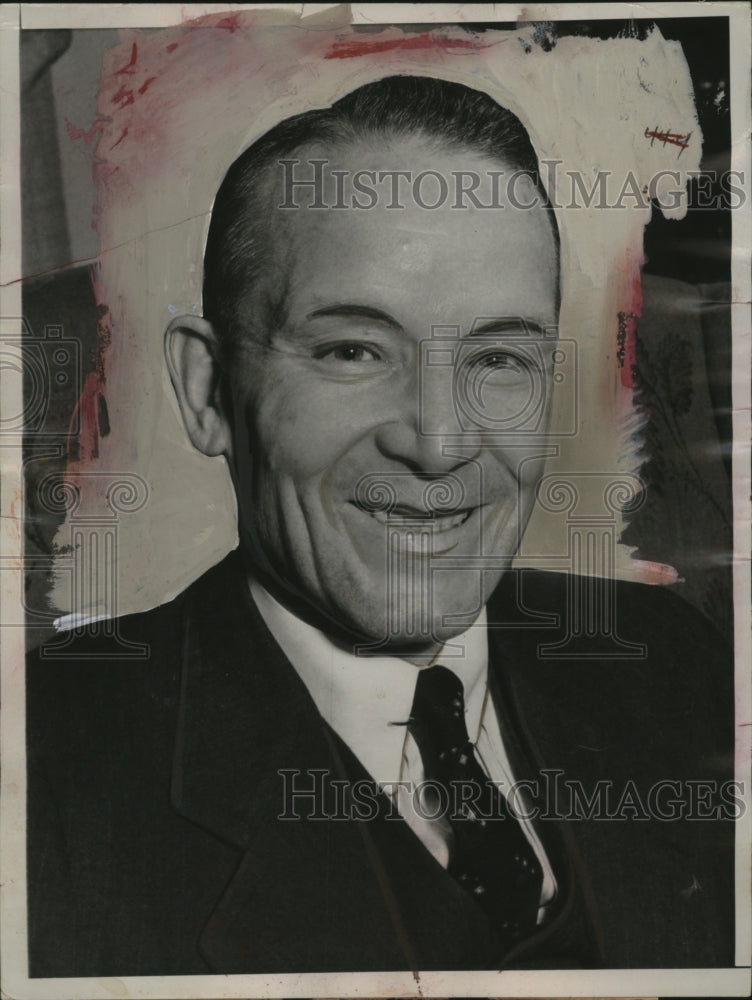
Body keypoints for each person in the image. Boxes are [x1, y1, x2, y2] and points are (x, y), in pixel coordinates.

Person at [26, 75, 734, 977]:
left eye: (499, 357)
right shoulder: (44, 780)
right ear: (208, 392)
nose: (438, 443)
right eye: (352, 350)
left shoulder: (675, 661)